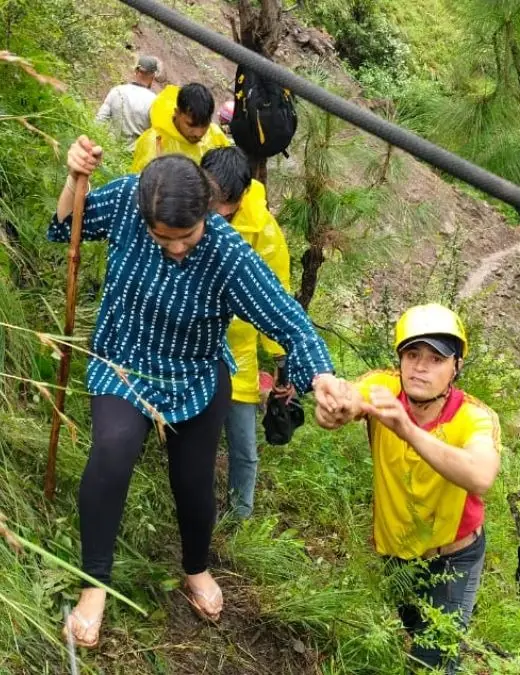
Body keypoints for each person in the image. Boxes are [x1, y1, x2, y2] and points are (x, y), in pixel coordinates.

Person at [54, 135, 341, 649]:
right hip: (124, 363)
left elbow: (290, 322)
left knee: (193, 483)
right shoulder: (127, 200)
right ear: (144, 217)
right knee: (111, 454)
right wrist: (75, 178)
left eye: (187, 236)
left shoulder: (227, 254)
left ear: (207, 210)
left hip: (194, 376)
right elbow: (64, 226)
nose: (177, 248)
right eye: (163, 238)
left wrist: (322, 378)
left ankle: (195, 567)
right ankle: (93, 584)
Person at [313, 303, 501, 674]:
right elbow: (353, 398)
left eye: (436, 358)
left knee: (433, 662)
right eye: (412, 354)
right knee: (417, 632)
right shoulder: (384, 388)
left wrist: (407, 430)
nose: (420, 367)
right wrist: (334, 407)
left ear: (456, 367)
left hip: (452, 558)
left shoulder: (474, 417)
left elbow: (481, 476)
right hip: (396, 552)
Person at [200, 146, 292, 518]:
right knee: (195, 443)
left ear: (242, 194)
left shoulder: (262, 230)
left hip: (238, 355)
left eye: (227, 204)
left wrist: (283, 360)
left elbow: (276, 298)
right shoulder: (187, 207)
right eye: (213, 201)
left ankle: (241, 518)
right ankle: (197, 510)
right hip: (191, 347)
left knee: (243, 447)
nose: (219, 212)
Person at [130, 82, 230, 172]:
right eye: (191, 125)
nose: (198, 133)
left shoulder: (216, 136)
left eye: (205, 125)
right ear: (177, 113)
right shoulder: (154, 141)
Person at [95, 55, 160, 147]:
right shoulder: (155, 101)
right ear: (153, 76)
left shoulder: (117, 91)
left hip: (110, 150)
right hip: (135, 154)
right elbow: (156, 136)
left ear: (136, 71)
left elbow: (99, 120)